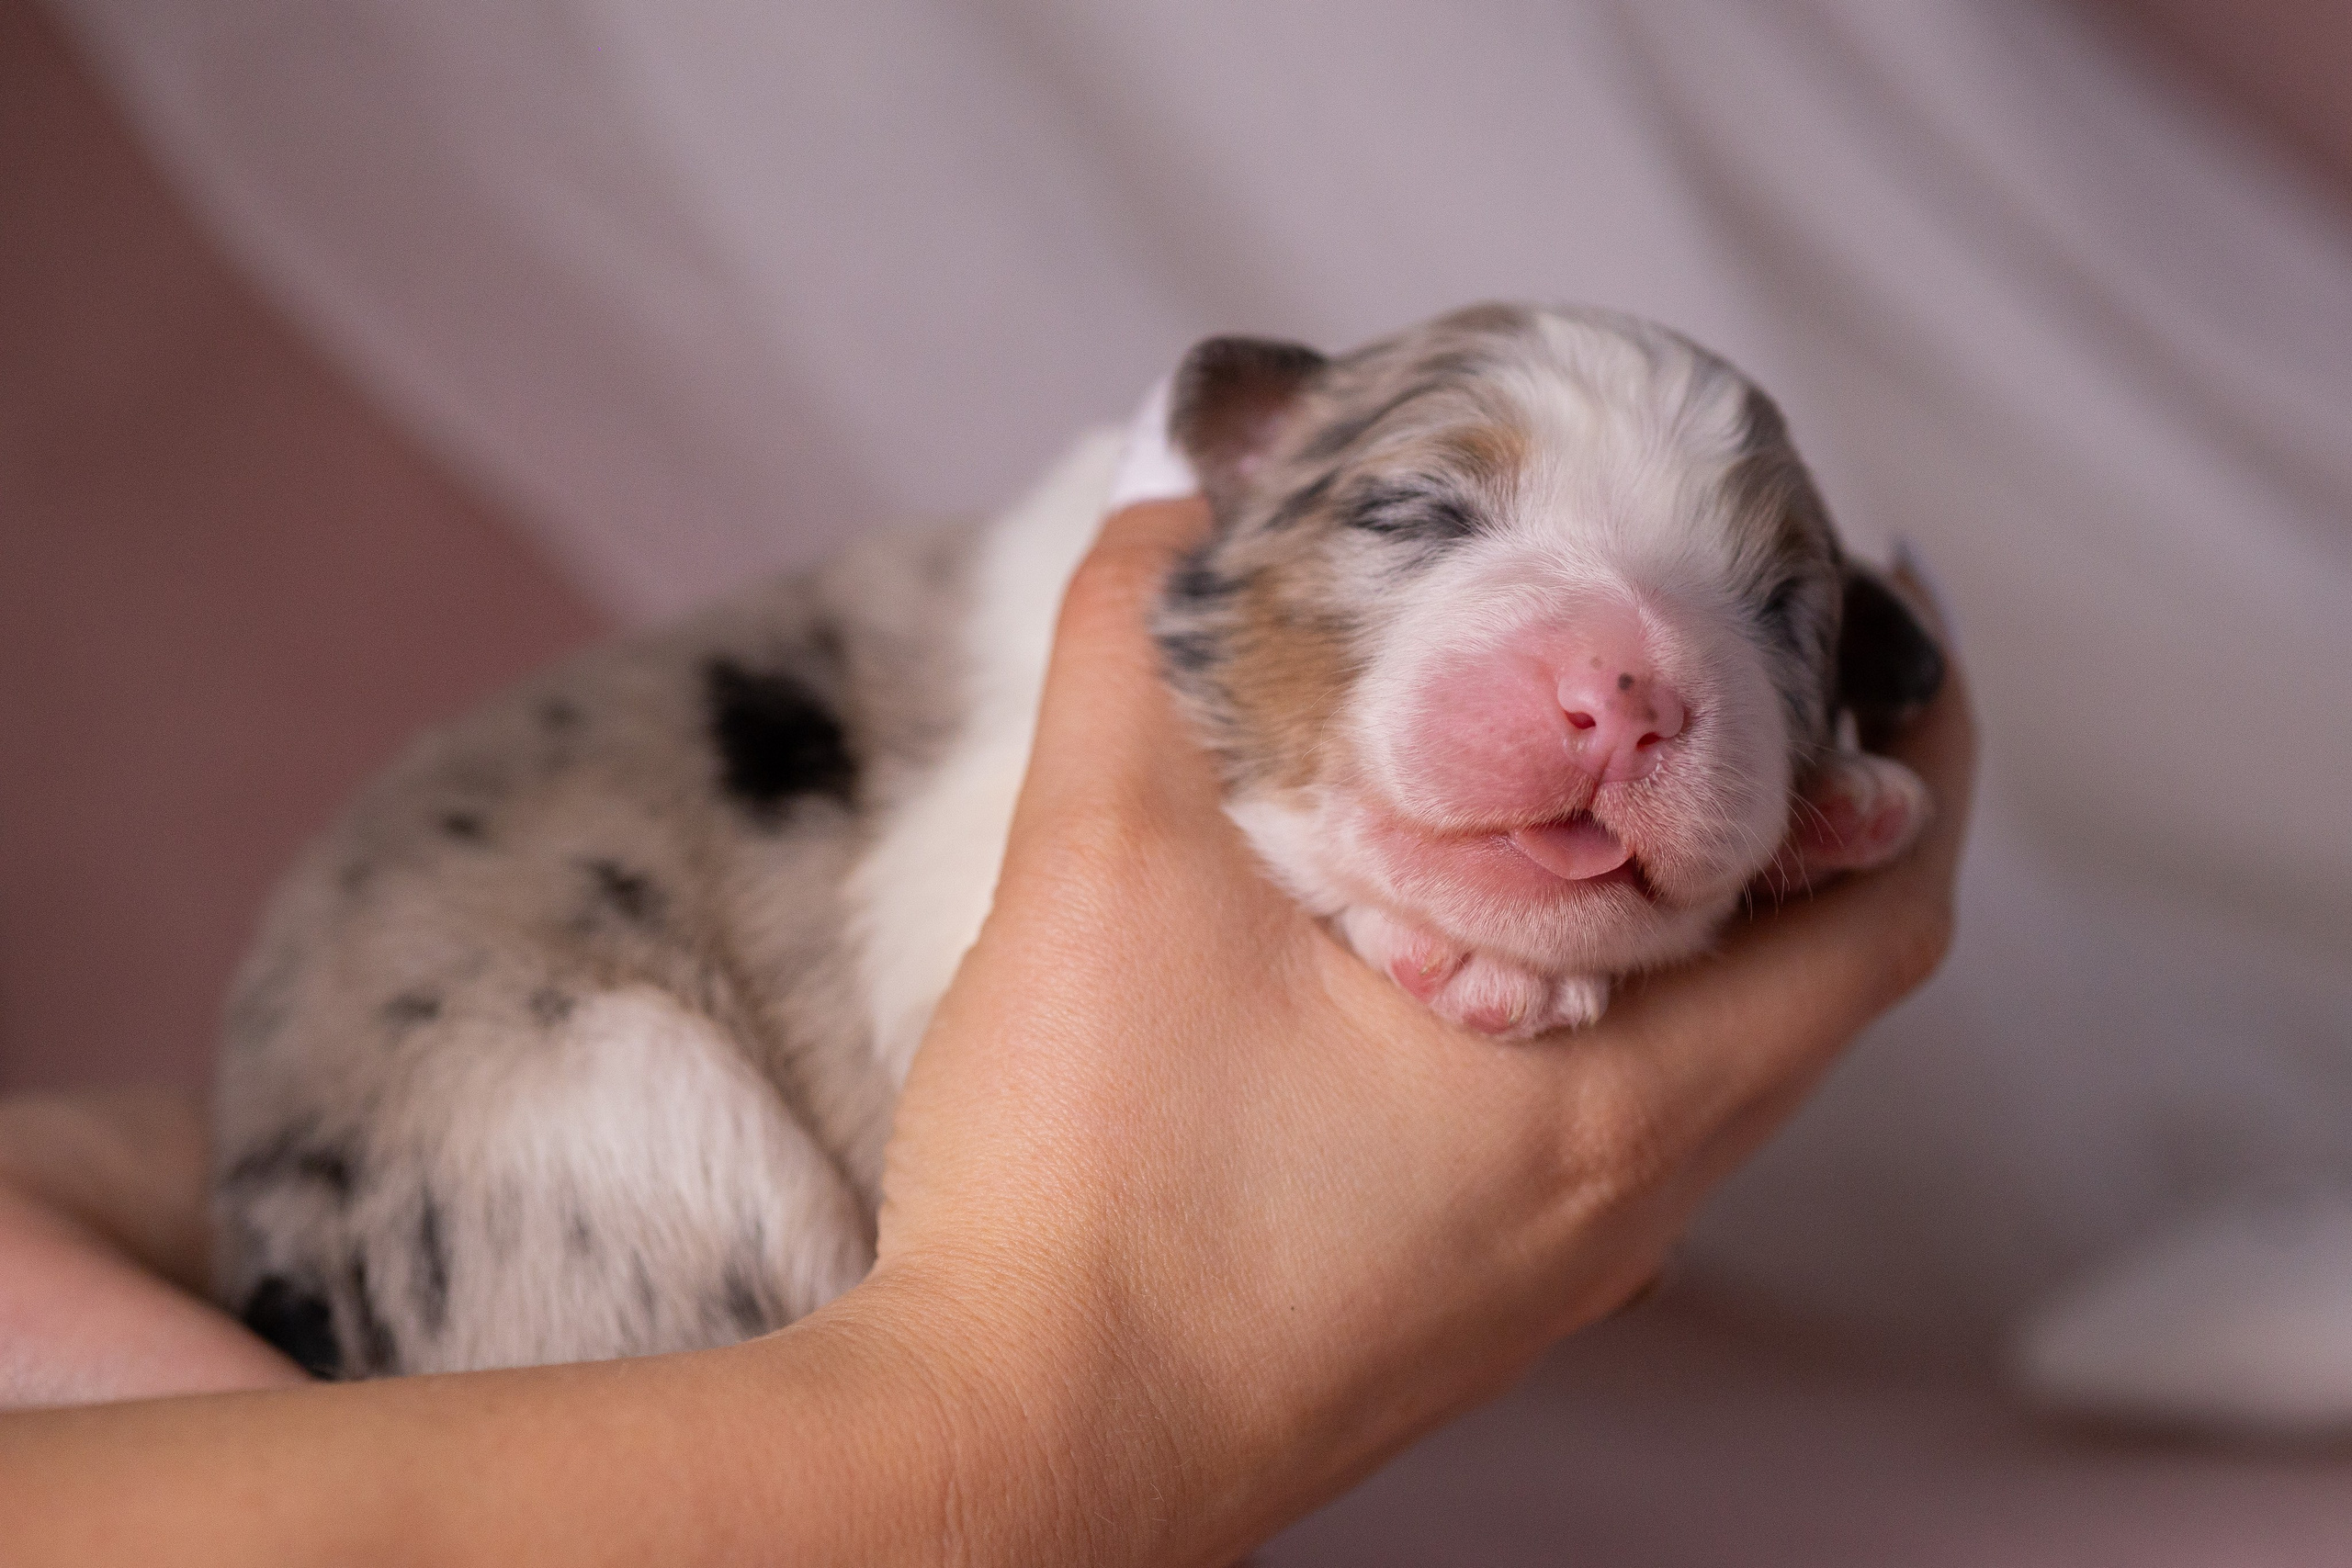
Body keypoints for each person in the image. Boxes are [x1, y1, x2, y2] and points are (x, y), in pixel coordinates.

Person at [0, 492, 1973, 1563]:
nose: (1624, 687)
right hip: (572, 1116)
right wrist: (1025, 1445)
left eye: (1771, 620)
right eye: (1427, 513)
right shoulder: (1087, 645)